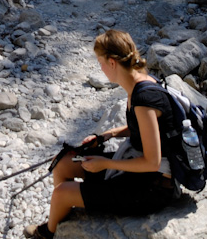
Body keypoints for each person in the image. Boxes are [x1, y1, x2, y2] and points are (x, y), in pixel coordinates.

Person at [25, 29, 176, 239]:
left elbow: (152, 162)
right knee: (63, 162)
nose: (101, 68)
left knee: (61, 193)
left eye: (101, 63)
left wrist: (105, 164)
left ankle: (49, 233)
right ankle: (68, 211)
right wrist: (108, 135)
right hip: (138, 169)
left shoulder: (145, 99)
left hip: (152, 188)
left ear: (112, 63)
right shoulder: (141, 84)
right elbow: (145, 130)